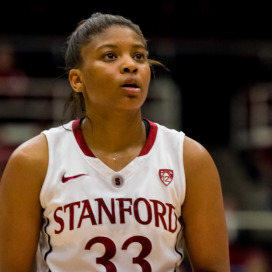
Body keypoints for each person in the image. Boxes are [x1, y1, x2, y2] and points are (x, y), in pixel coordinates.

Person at [0, 12, 230, 272]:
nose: (130, 65)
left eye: (139, 56)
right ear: (77, 80)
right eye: (110, 55)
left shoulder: (189, 158)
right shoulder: (34, 161)